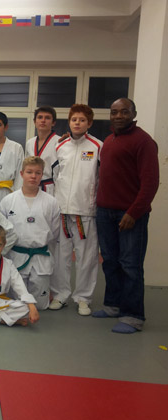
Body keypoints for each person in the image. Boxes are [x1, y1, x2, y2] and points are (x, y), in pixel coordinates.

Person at [92, 98, 159, 334]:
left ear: (133, 114)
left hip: (130, 214)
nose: (118, 116)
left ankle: (133, 316)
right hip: (105, 212)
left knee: (130, 264)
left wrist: (134, 212)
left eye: (124, 112)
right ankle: (113, 305)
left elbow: (150, 183)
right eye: (114, 112)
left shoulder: (144, 141)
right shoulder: (109, 141)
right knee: (110, 261)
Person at [51, 104, 103, 316]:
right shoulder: (60, 146)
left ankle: (83, 298)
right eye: (74, 120)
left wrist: (93, 202)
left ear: (89, 123)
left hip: (85, 210)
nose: (77, 123)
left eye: (82, 120)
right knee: (61, 257)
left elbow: (100, 178)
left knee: (86, 258)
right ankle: (60, 294)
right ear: (69, 122)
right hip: (62, 210)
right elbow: (56, 176)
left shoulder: (98, 146)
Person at [0, 156, 60, 311]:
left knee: (40, 306)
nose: (33, 176)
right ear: (21, 174)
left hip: (41, 259)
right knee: (16, 304)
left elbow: (54, 232)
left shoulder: (51, 202)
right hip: (16, 257)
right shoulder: (8, 201)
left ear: (42, 175)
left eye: (38, 173)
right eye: (29, 172)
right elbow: (1, 231)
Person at [25, 106, 61, 195]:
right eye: (40, 117)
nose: (43, 120)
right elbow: (26, 166)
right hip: (31, 187)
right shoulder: (30, 142)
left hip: (50, 188)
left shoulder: (59, 142)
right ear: (34, 121)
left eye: (47, 118)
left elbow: (61, 172)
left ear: (53, 122)